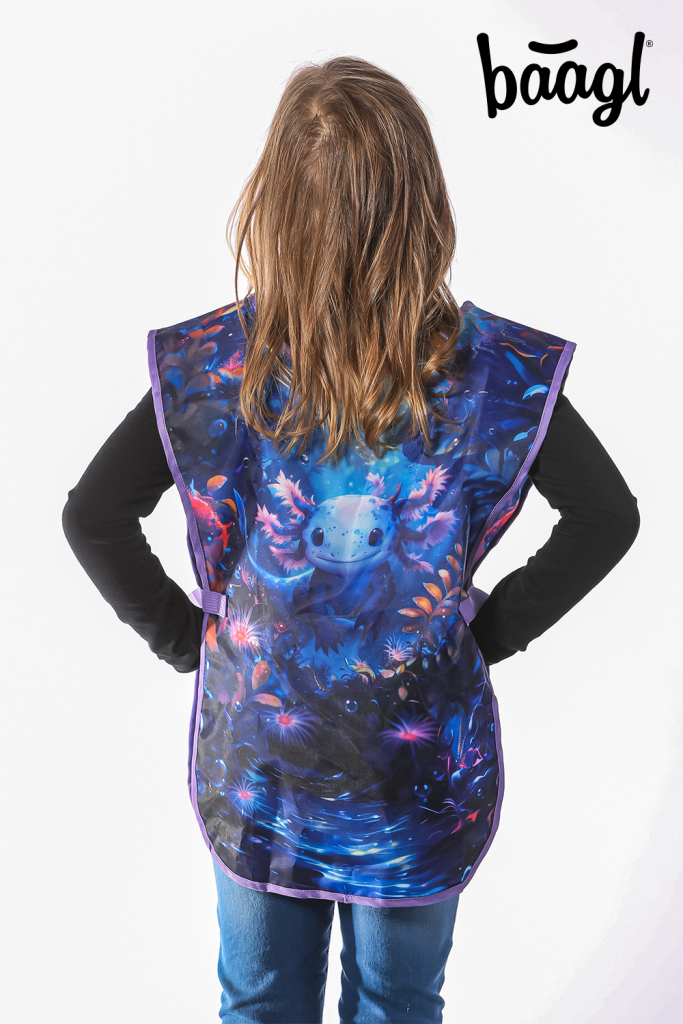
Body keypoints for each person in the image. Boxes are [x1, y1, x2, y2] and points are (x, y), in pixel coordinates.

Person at [62, 57, 640, 1024]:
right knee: (398, 1004)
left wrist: (190, 640)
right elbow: (606, 517)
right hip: (418, 761)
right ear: (424, 205)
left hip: (260, 757)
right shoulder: (493, 371)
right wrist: (483, 636)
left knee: (260, 1004)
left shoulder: (217, 365)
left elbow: (92, 516)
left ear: (277, 207)